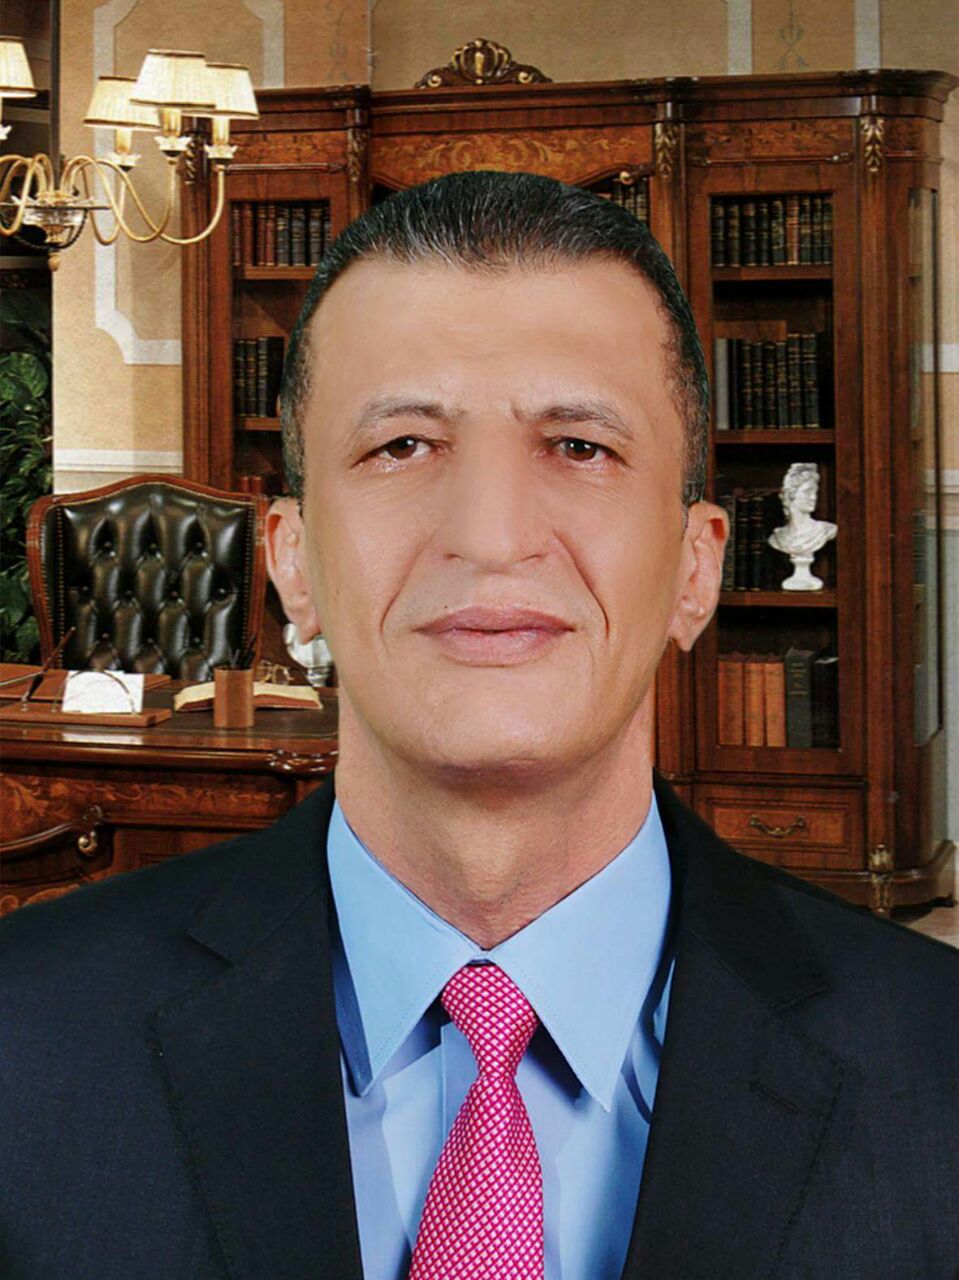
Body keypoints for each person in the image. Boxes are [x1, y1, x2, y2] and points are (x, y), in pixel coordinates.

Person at [1, 172, 956, 1280]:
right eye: (403, 445)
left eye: (579, 445)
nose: (491, 535)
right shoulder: (25, 1039)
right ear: (293, 563)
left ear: (696, 568)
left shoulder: (935, 1061)